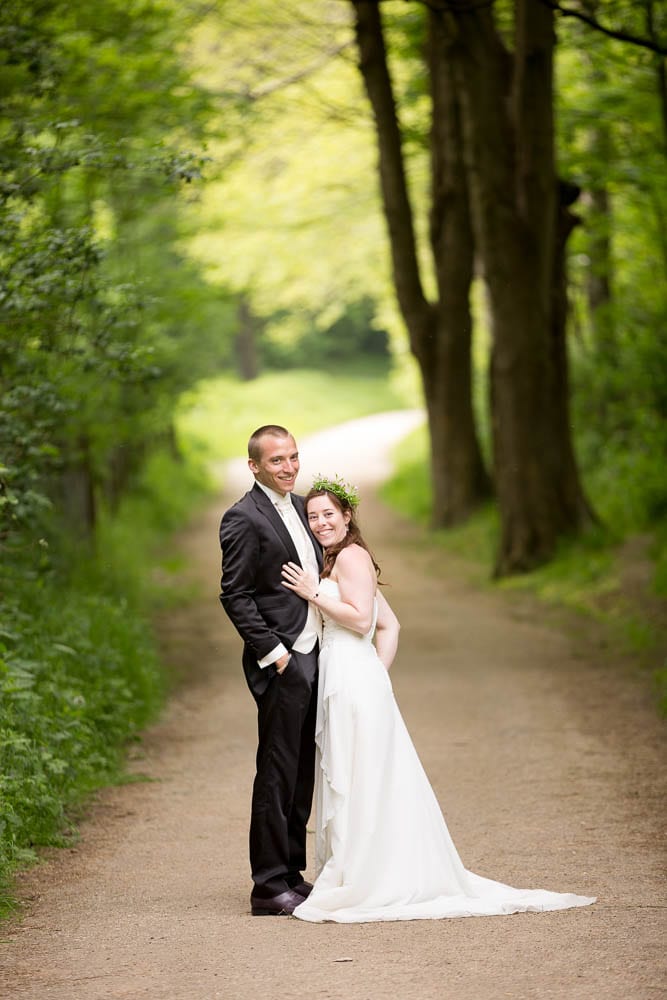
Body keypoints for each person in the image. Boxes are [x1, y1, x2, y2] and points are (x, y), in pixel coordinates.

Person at [281, 478, 596, 923]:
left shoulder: (352, 556)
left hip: (352, 677)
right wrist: (377, 675)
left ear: (347, 516)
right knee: (359, 773)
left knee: (359, 774)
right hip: (353, 679)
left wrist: (315, 596)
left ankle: (366, 877)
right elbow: (390, 627)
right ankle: (357, 869)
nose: (320, 522)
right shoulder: (336, 559)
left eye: (328, 514)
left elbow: (362, 620)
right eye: (313, 516)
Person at [219, 425, 323, 916]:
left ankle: (293, 875)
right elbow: (235, 595)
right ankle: (266, 886)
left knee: (303, 769)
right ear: (255, 466)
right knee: (277, 772)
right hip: (281, 661)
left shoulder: (304, 508)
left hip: (315, 654)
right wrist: (275, 654)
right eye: (277, 460)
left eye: (293, 458)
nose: (288, 468)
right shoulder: (242, 518)